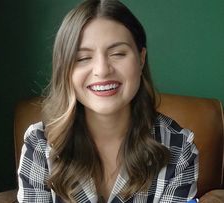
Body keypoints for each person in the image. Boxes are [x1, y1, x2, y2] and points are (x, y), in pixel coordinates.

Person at [17, 0, 198, 202]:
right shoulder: (40, 144)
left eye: (118, 53)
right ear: (65, 69)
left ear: (141, 58)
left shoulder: (178, 147)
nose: (102, 70)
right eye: (83, 58)